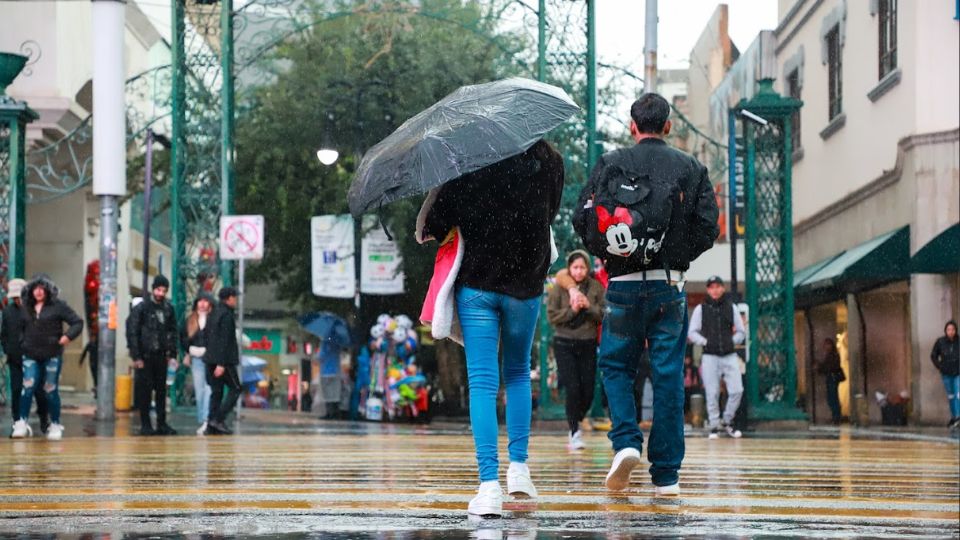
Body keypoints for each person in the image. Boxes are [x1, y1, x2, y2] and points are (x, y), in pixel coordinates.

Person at [572, 93, 719, 496]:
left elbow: (581, 218)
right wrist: (674, 255)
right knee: (668, 373)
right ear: (668, 126)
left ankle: (625, 441)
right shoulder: (690, 168)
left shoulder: (611, 163)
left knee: (616, 366)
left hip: (620, 286)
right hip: (668, 285)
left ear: (632, 126)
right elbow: (709, 227)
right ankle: (667, 474)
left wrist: (614, 254)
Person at [422, 139, 564, 517]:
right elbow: (550, 213)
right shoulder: (551, 161)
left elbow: (437, 223)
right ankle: (519, 469)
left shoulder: (469, 159)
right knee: (517, 373)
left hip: (478, 286)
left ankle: (488, 487)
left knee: (483, 382)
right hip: (525, 287)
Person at [11, 274, 83, 440]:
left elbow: (77, 322)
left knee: (50, 389)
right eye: (35, 288)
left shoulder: (58, 306)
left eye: (42, 289)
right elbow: (19, 328)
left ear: (48, 290)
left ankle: (55, 424)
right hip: (30, 354)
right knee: (27, 387)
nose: (38, 292)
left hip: (52, 354)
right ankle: (21, 422)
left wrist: (67, 337)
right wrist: (23, 342)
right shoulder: (26, 307)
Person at [547, 250, 605, 451]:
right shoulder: (559, 288)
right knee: (572, 387)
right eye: (575, 267)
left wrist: (588, 306)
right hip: (564, 342)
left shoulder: (596, 287)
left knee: (587, 388)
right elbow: (552, 316)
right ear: (569, 268)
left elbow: (603, 314)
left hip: (587, 343)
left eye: (582, 267)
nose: (579, 271)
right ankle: (574, 430)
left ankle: (577, 417)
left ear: (588, 269)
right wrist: (572, 310)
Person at [688, 276, 746, 439]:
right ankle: (714, 425)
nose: (714, 290)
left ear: (722, 288)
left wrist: (730, 342)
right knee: (712, 392)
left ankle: (727, 421)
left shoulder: (731, 307)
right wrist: (705, 342)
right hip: (710, 356)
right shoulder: (701, 308)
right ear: (708, 290)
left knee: (737, 390)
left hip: (729, 354)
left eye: (717, 287)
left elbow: (741, 331)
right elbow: (692, 332)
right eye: (711, 287)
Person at [128, 275, 179, 436]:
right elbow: (133, 332)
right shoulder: (142, 308)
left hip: (161, 356)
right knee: (145, 391)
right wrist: (137, 356)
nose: (161, 293)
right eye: (158, 289)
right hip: (145, 355)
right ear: (153, 289)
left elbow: (172, 331)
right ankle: (146, 424)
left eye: (163, 290)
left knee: (161, 391)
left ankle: (161, 423)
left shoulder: (168, 309)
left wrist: (171, 353)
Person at [2, 278, 50, 437]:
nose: (17, 300)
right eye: (15, 298)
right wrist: (7, 349)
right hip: (15, 358)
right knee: (16, 390)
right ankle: (18, 422)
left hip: (34, 359)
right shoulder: (8, 312)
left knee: (37, 390)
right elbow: (5, 334)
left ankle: (44, 419)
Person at [204, 287, 242, 435]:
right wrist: (221, 363)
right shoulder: (226, 315)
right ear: (229, 298)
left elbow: (208, 336)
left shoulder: (213, 313)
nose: (236, 300)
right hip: (223, 360)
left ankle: (211, 423)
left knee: (217, 391)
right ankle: (218, 419)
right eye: (234, 297)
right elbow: (224, 340)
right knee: (236, 388)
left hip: (210, 359)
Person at [182, 292, 215, 436]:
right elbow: (183, 338)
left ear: (210, 304)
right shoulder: (190, 320)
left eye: (205, 301)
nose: (202, 304)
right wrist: (188, 351)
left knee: (209, 389)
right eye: (200, 301)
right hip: (196, 358)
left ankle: (207, 419)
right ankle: (202, 419)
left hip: (210, 358)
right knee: (199, 390)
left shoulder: (213, 320)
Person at [930, 320, 959, 429]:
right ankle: (954, 416)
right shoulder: (941, 342)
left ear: (956, 330)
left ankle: (958, 416)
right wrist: (940, 366)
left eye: (953, 329)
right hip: (946, 373)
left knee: (958, 393)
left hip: (958, 372)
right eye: (948, 330)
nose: (951, 332)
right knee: (951, 396)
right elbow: (933, 355)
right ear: (945, 331)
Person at [816, 338, 845, 425]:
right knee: (832, 398)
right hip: (832, 378)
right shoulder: (832, 355)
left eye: (827, 344)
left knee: (832, 398)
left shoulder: (833, 355)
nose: (825, 346)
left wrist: (820, 367)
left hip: (832, 378)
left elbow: (830, 367)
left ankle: (836, 417)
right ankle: (836, 417)